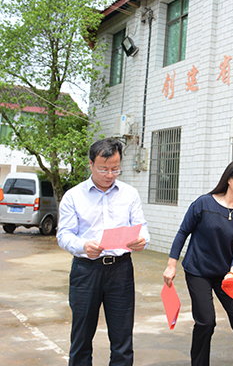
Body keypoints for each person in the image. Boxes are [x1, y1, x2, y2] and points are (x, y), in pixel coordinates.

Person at [163, 159, 233, 366]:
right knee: (206, 322)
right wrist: (171, 264)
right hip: (198, 271)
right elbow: (183, 232)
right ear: (230, 178)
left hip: (225, 275)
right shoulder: (204, 203)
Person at [57, 138, 150, 366]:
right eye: (104, 169)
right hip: (86, 271)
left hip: (120, 271)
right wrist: (82, 246)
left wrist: (142, 240)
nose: (110, 174)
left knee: (122, 338)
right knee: (81, 337)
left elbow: (142, 227)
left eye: (115, 169)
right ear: (91, 164)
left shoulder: (129, 194)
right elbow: (64, 234)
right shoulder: (74, 196)